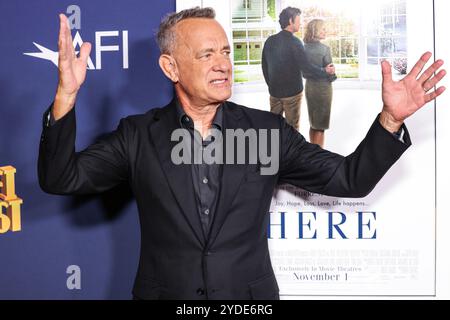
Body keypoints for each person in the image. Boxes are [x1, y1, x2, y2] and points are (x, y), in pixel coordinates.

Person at [38, 7, 446, 300]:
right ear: (170, 67)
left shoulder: (267, 132)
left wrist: (390, 120)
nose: (223, 65)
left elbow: (349, 180)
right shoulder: (137, 135)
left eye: (227, 52)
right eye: (206, 55)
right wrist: (66, 98)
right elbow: (61, 178)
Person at [262, 7, 335, 131]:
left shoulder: (270, 40)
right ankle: (291, 150)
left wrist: (271, 85)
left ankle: (274, 149)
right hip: (292, 95)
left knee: (274, 126)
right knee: (292, 128)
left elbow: (264, 66)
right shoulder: (295, 42)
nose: (300, 23)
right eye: (298, 20)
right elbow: (306, 67)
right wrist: (325, 71)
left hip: (274, 93)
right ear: (291, 21)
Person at [303, 19, 336, 148]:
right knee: (320, 126)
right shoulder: (325, 49)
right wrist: (331, 73)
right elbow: (330, 74)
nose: (325, 31)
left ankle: (313, 152)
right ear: (314, 30)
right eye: (322, 28)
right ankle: (319, 156)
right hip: (323, 90)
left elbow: (304, 73)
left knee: (313, 123)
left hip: (310, 88)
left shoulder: (302, 48)